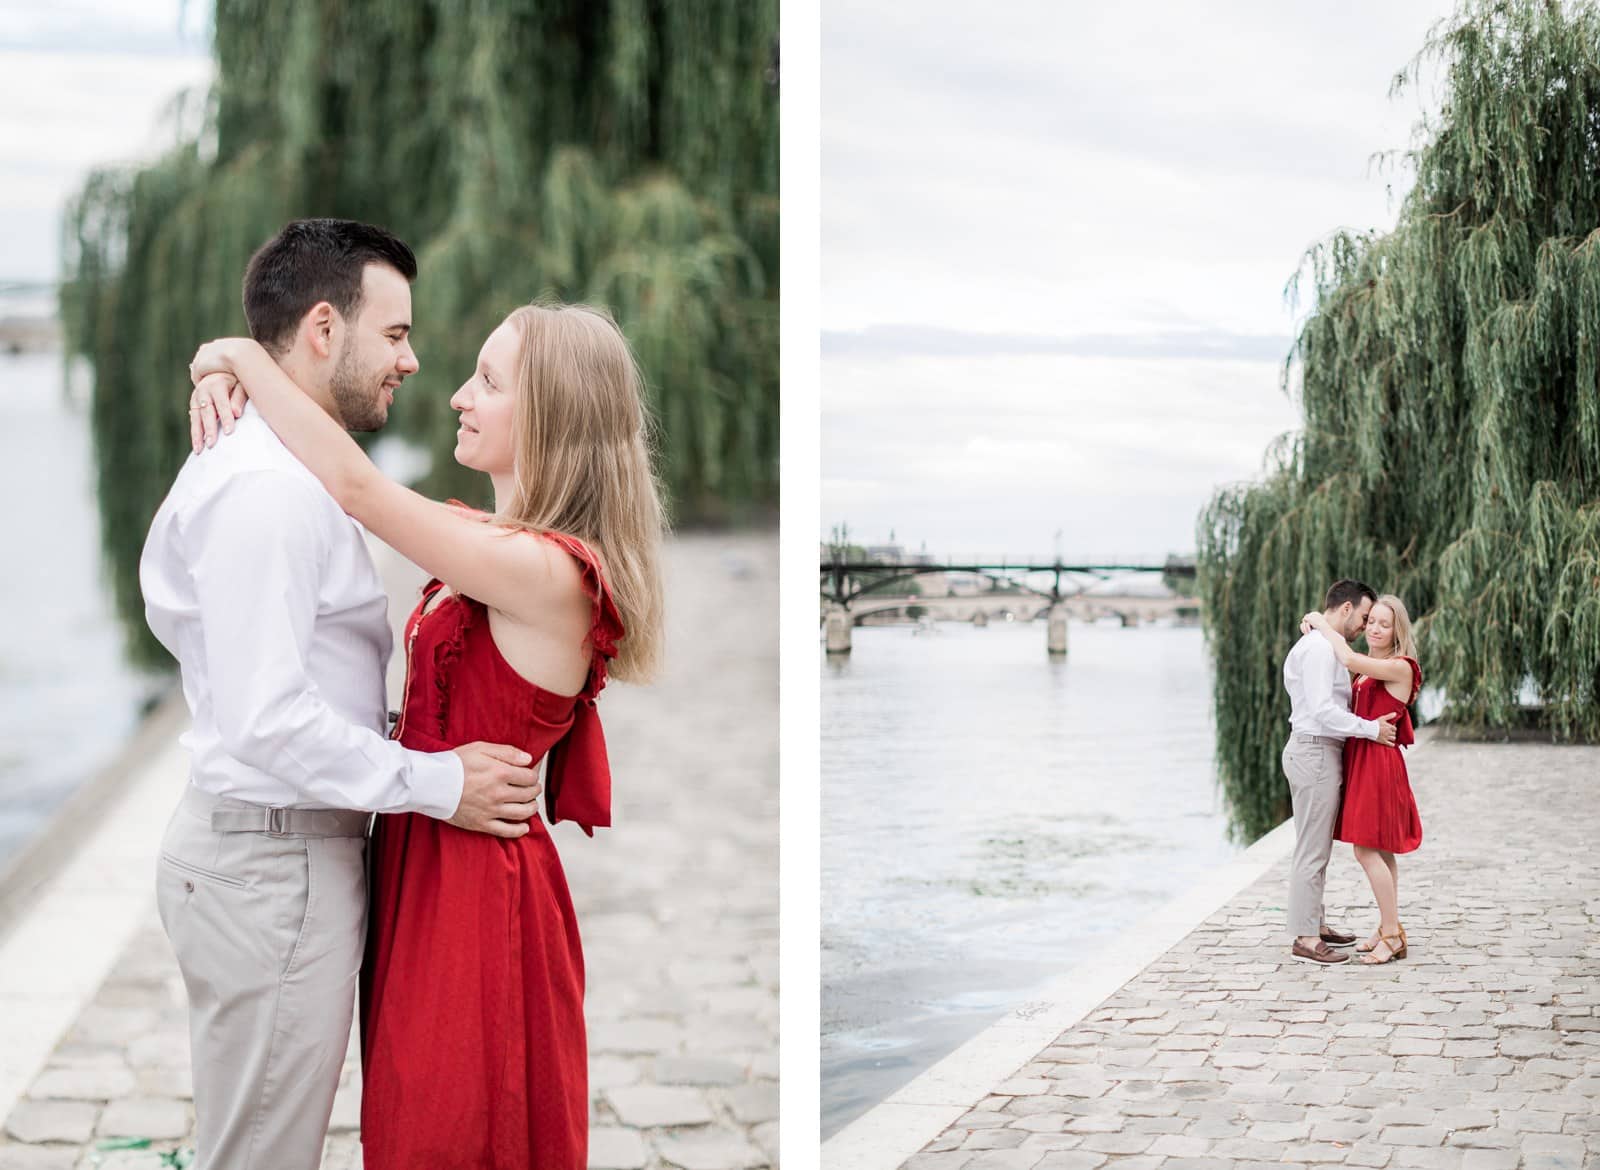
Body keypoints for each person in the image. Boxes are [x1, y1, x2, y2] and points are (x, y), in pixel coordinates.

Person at [186, 284, 665, 1167]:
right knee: (415, 1119)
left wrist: (245, 357)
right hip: (427, 856)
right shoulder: (496, 540)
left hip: (477, 885)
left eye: (488, 380)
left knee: (458, 1125)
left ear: (552, 415)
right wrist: (217, 370)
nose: (457, 394)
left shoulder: (545, 572)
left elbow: (358, 488)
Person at [142, 218, 545, 1170]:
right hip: (275, 867)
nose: (412, 361)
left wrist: (229, 358)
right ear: (325, 329)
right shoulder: (269, 491)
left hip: (285, 858)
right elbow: (266, 717)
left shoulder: (285, 465)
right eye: (397, 335)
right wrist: (439, 783)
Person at [1279, 578, 1399, 966]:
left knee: (1315, 847)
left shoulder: (1324, 645)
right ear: (1346, 609)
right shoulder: (1319, 650)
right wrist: (1372, 729)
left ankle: (1315, 923)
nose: (1366, 626)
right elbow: (1321, 711)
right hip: (1314, 751)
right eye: (1365, 617)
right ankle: (1305, 938)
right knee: (1312, 851)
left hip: (1318, 752)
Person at [1301, 593, 1423, 965]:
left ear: (1397, 630)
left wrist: (1322, 624)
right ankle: (1390, 927)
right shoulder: (1376, 665)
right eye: (1372, 622)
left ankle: (1390, 934)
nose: (1374, 628)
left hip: (1379, 762)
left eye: (1384, 624)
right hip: (1365, 756)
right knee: (1380, 849)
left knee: (1366, 848)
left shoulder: (1401, 666)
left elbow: (1348, 658)